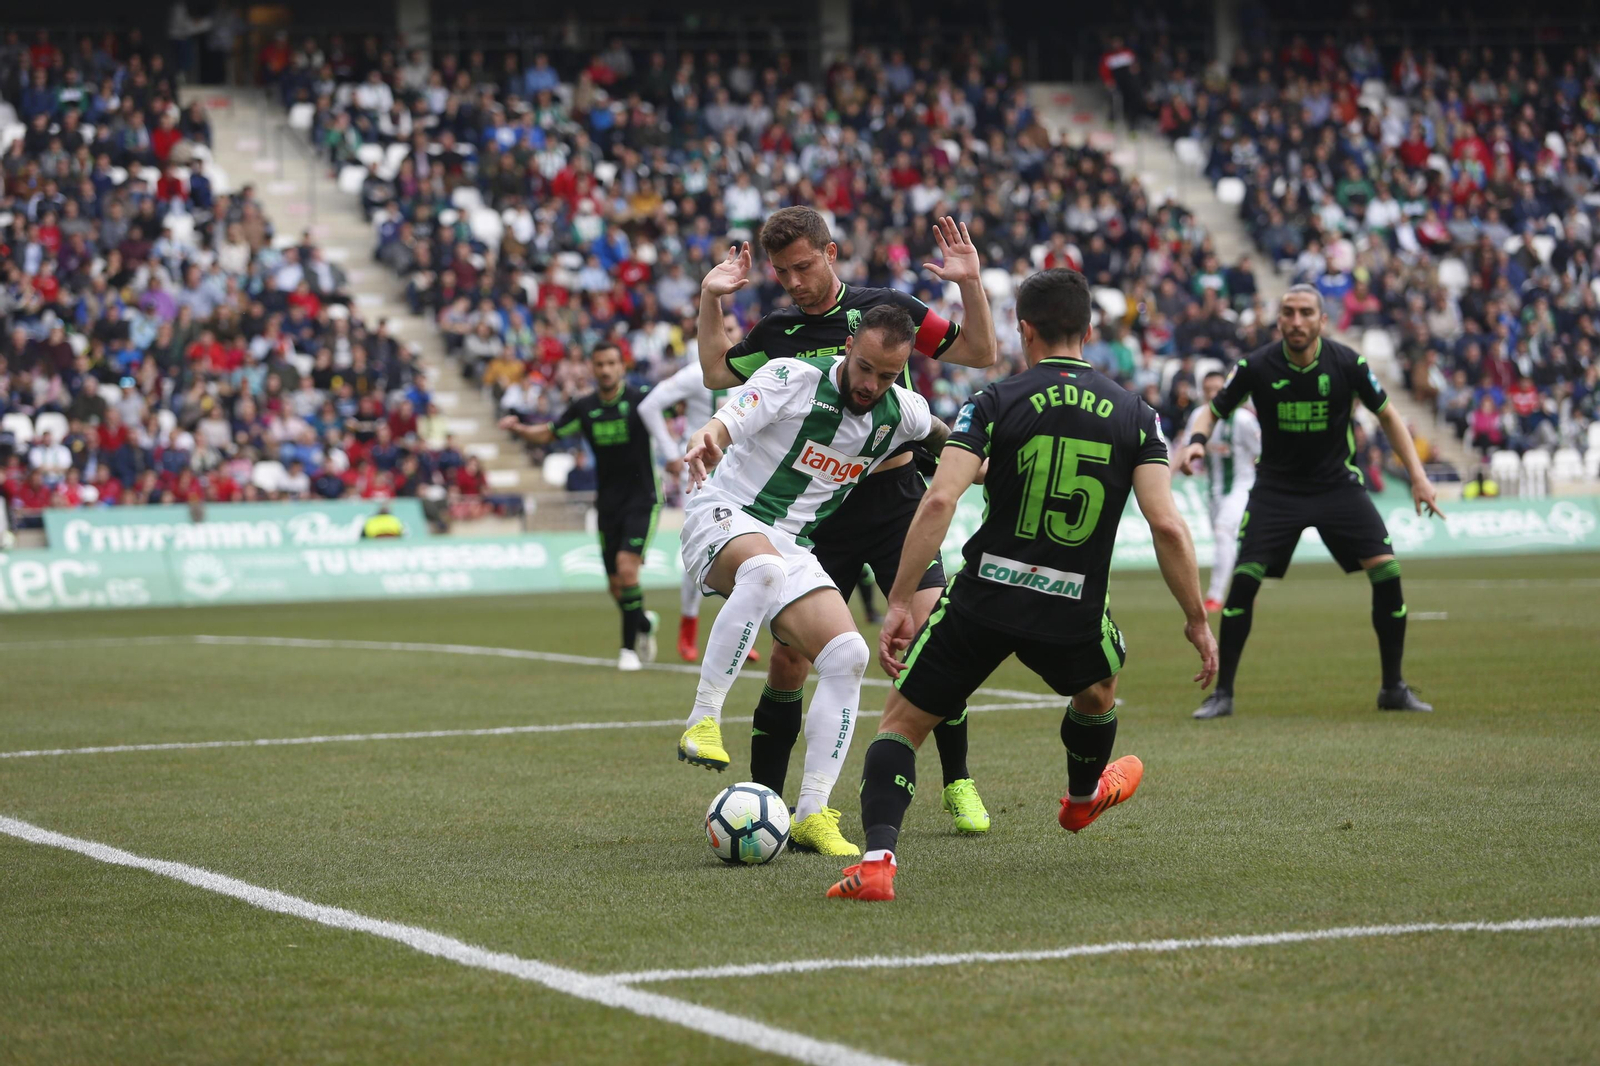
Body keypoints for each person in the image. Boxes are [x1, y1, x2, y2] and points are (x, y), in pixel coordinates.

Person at [828, 268, 1217, 901]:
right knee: (1099, 692)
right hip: (1072, 605)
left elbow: (939, 501)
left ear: (1023, 329)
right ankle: (1083, 799)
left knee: (900, 725)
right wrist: (1197, 619)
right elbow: (1168, 526)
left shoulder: (994, 401)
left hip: (984, 596)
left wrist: (900, 601)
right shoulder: (1137, 415)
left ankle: (876, 866)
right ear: (1088, 331)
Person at [696, 208, 1000, 836]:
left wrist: (970, 283)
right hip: (812, 516)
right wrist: (711, 301)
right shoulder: (778, 332)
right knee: (790, 661)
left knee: (931, 637)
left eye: (804, 266)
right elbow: (714, 373)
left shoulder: (888, 309)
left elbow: (980, 351)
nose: (795, 282)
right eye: (782, 272)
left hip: (893, 502)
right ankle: (767, 804)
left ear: (831, 253)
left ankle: (960, 782)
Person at [677, 304, 950, 856]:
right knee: (762, 570)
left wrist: (992, 461)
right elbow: (730, 417)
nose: (873, 385)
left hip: (790, 547)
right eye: (867, 368)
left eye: (889, 375)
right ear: (849, 345)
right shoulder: (792, 378)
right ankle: (703, 720)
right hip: (723, 513)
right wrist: (710, 434)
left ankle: (812, 812)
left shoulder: (902, 411)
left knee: (848, 653)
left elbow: (948, 437)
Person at [1179, 285, 1443, 720]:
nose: (1296, 321)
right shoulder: (1256, 365)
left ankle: (1393, 687)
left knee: (1389, 572)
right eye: (1288, 313)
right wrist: (1196, 443)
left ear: (1322, 320)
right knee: (1243, 582)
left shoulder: (1348, 363)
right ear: (1278, 320)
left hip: (1337, 485)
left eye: (1305, 313)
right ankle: (1222, 694)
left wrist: (1418, 476)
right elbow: (1213, 409)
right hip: (1276, 490)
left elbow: (1389, 415)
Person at [500, 342, 659, 671]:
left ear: (621, 367)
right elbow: (548, 434)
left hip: (642, 499)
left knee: (628, 570)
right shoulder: (584, 407)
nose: (605, 369)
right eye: (599, 364)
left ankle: (628, 650)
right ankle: (643, 623)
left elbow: (677, 407)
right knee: (615, 585)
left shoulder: (640, 402)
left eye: (611, 363)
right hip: (608, 503)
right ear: (591, 368)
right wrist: (519, 429)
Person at [1183, 370, 1261, 611]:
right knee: (1228, 540)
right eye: (1208, 390)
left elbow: (1263, 452)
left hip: (1241, 487)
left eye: (1218, 389)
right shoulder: (1199, 415)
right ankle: (1244, 589)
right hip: (1214, 491)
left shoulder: (1243, 420)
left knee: (1223, 532)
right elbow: (1188, 447)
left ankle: (1215, 596)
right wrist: (1182, 465)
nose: (1213, 395)